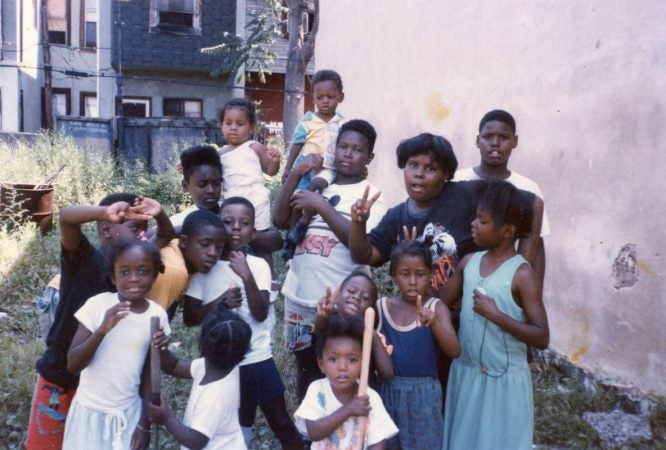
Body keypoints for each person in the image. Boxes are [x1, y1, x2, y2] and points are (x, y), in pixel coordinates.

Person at [25, 193, 169, 450]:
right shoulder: (83, 258)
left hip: (103, 391)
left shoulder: (136, 265)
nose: (143, 238)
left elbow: (167, 235)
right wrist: (104, 212)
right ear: (106, 230)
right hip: (60, 378)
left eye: (145, 231)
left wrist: (159, 213)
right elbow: (67, 218)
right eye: (135, 228)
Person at [274, 119, 386, 401]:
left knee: (343, 369)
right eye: (343, 147)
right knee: (306, 366)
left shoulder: (371, 196)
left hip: (343, 304)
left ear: (369, 157)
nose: (348, 154)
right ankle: (310, 430)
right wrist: (295, 174)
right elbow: (280, 220)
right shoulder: (318, 184)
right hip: (299, 296)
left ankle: (344, 431)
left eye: (357, 149)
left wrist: (321, 206)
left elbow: (361, 248)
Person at [184, 197, 304, 449]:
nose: (236, 228)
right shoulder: (205, 268)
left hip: (257, 358)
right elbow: (190, 317)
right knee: (237, 424)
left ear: (253, 230)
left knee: (281, 421)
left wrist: (246, 276)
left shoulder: (258, 265)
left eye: (244, 223)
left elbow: (260, 312)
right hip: (222, 363)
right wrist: (219, 302)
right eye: (228, 222)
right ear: (218, 225)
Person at [441, 181, 549, 450]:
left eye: (483, 221)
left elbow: (541, 336)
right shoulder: (469, 263)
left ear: (507, 231)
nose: (473, 225)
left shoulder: (522, 274)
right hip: (466, 374)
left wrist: (497, 315)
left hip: (504, 383)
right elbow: (440, 302)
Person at [61, 239, 170, 450]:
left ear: (155, 275)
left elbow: (150, 373)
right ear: (113, 276)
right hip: (88, 412)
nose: (134, 279)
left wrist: (144, 425)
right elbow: (72, 365)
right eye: (125, 272)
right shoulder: (97, 306)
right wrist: (102, 329)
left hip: (128, 413)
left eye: (143, 271)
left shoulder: (156, 316)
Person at [375, 240, 460, 450]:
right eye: (405, 274)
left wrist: (433, 323)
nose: (413, 281)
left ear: (431, 275)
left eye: (420, 274)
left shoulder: (436, 307)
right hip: (389, 394)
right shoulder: (381, 307)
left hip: (425, 399)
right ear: (394, 275)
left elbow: (455, 350)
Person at [454, 109, 549, 288]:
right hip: (457, 276)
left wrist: (526, 294)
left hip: (501, 285)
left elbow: (535, 245)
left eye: (503, 137)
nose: (495, 143)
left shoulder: (527, 189)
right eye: (488, 137)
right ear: (477, 140)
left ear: (515, 141)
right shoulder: (457, 181)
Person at [148, 309, 251, 450]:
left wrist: (166, 417)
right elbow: (174, 367)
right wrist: (163, 348)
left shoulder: (214, 397)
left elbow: (195, 441)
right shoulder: (219, 366)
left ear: (201, 344)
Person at [294, 313, 398, 450]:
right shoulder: (317, 390)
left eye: (352, 360)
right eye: (333, 359)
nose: (342, 367)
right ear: (321, 364)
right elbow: (314, 432)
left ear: (362, 363)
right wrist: (349, 409)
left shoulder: (369, 398)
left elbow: (378, 441)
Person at [218, 97, 283, 293]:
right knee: (233, 241)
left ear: (251, 127)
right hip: (232, 203)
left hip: (255, 200)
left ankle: (269, 281)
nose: (233, 128)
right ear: (221, 125)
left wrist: (275, 160)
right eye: (228, 123)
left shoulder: (254, 147)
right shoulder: (221, 153)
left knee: (261, 242)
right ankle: (234, 279)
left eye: (240, 123)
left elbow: (270, 170)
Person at [281, 69, 346, 259]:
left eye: (330, 96)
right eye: (320, 97)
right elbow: (296, 145)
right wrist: (288, 168)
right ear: (313, 98)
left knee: (316, 191)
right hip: (305, 168)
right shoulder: (307, 121)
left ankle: (304, 225)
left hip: (328, 169)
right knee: (297, 201)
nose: (325, 101)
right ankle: (290, 241)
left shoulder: (343, 123)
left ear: (340, 97)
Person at [313, 271, 394, 383]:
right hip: (331, 392)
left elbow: (387, 373)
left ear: (371, 309)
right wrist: (322, 316)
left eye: (365, 298)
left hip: (362, 392)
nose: (356, 297)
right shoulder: (329, 320)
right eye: (351, 291)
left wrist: (371, 333)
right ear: (338, 295)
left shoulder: (370, 332)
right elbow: (318, 330)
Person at [147, 209, 226, 320]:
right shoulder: (173, 270)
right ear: (184, 241)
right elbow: (152, 321)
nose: (213, 253)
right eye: (205, 244)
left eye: (219, 247)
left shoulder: (179, 249)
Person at [169, 145, 224, 227]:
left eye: (216, 184)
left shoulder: (235, 217)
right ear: (185, 186)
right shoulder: (176, 223)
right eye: (202, 185)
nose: (211, 190)